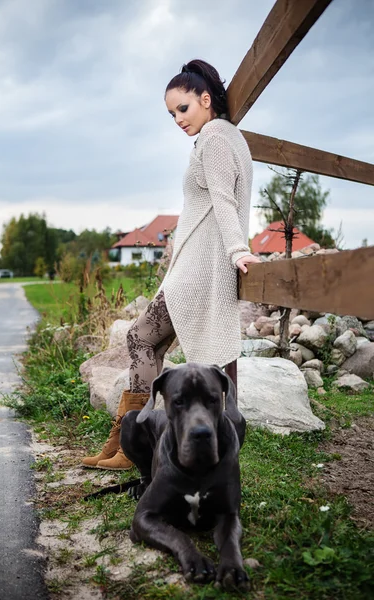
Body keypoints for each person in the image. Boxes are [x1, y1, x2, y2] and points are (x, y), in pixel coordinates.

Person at [82, 59, 260, 470]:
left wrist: (238, 249)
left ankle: (133, 443)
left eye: (183, 108)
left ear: (205, 99)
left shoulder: (214, 138)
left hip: (198, 273)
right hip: (200, 269)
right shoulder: (230, 138)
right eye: (171, 114)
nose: (178, 119)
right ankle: (124, 442)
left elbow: (224, 200)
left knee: (140, 338)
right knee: (151, 344)